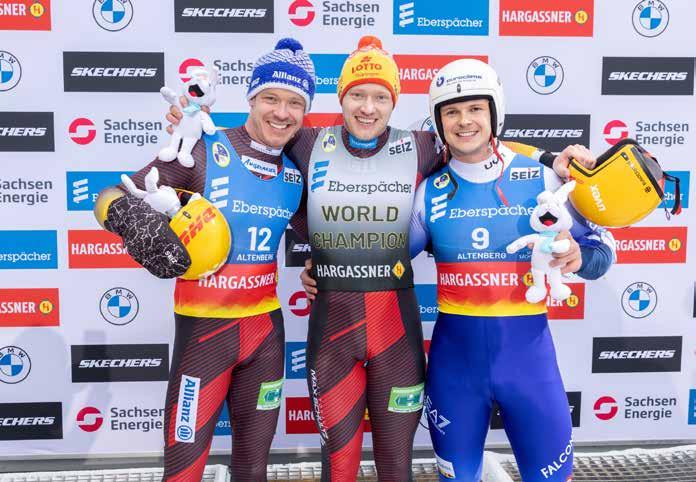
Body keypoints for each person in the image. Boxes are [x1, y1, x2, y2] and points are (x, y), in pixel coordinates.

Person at [170, 36, 596, 481]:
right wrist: (195, 125)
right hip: (334, 339)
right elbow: (258, 136)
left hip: (399, 336)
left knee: (396, 466)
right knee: (339, 466)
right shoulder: (309, 142)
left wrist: (548, 157)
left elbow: (480, 145)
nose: (368, 107)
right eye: (357, 94)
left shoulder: (423, 146)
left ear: (394, 102)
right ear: (341, 98)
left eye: (380, 96)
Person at [93, 38, 315, 482]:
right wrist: (136, 224)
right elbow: (110, 196)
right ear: (251, 99)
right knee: (183, 470)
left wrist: (321, 268)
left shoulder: (295, 172)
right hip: (203, 341)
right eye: (270, 98)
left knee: (253, 469)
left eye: (295, 102)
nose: (282, 112)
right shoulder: (203, 148)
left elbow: (325, 237)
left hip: (266, 338)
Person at [409, 59, 615, 481]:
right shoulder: (427, 192)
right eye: (451, 111)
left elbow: (603, 250)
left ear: (494, 112)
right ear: (438, 121)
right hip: (454, 371)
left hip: (530, 369)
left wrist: (578, 256)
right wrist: (325, 271)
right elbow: (384, 262)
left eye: (475, 109)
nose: (464, 121)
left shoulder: (544, 179)